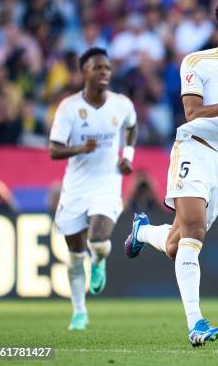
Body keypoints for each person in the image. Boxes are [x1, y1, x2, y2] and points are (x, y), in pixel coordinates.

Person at [123, 0, 218, 347]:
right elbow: (192, 113)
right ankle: (197, 323)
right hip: (194, 148)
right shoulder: (198, 62)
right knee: (194, 233)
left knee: (178, 245)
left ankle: (143, 232)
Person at [49, 47, 138, 331]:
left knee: (98, 240)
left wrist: (128, 156)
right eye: (97, 68)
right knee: (75, 254)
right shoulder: (69, 107)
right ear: (83, 72)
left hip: (107, 182)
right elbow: (53, 150)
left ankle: (98, 261)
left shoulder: (121, 104)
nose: (104, 73)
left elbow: (132, 127)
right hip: (75, 187)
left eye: (107, 68)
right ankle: (79, 311)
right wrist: (79, 148)